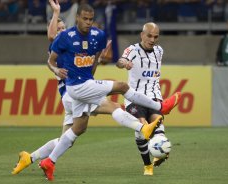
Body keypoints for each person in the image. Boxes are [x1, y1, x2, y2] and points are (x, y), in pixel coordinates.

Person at [39, 3, 181, 181]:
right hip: (75, 87)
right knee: (121, 87)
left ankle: (49, 162)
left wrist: (99, 58)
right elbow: (51, 47)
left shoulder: (97, 36)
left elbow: (94, 63)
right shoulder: (65, 37)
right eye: (85, 19)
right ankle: (157, 111)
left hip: (83, 86)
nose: (89, 22)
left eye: (91, 19)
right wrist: (55, 69)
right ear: (77, 18)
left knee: (79, 129)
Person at [11, 0, 97, 175]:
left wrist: (97, 57)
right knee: (108, 106)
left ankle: (29, 158)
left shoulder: (69, 47)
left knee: (66, 140)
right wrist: (56, 13)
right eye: (59, 29)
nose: (62, 31)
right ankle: (139, 123)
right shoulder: (56, 44)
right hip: (72, 94)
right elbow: (51, 36)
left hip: (70, 94)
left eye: (64, 28)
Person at [116, 22, 171, 176]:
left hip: (154, 97)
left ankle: (161, 151)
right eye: (149, 35)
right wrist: (125, 63)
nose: (152, 39)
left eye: (155, 36)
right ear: (142, 35)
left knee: (159, 131)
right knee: (142, 130)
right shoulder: (132, 50)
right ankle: (148, 165)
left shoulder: (159, 51)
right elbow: (120, 61)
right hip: (134, 97)